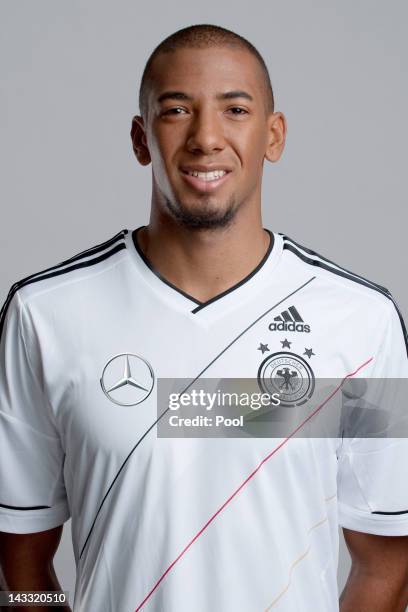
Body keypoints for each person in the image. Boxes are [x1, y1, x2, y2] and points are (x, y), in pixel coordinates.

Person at [0, 23, 407, 612]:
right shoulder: (43, 314)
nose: (206, 137)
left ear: (274, 135)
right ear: (141, 139)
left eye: (235, 109)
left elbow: (387, 561)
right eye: (176, 111)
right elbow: (20, 556)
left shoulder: (364, 321)